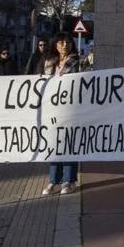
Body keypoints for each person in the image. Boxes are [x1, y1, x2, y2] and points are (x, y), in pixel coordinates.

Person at [41, 33, 81, 196]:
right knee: (53, 145)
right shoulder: (48, 62)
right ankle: (53, 181)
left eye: (68, 42)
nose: (65, 44)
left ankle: (69, 181)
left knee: (70, 145)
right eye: (61, 42)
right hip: (52, 110)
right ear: (55, 44)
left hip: (72, 110)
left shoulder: (79, 61)